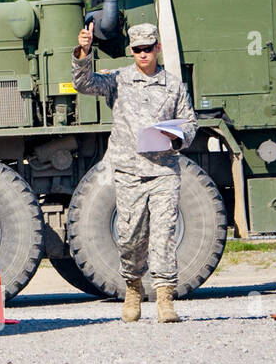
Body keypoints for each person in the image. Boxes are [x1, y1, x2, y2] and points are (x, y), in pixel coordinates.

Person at [72, 21, 197, 322]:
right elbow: (84, 84)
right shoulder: (119, 80)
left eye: (148, 48)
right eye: (137, 49)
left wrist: (175, 137)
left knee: (164, 235)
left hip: (164, 170)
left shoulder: (173, 85)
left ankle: (165, 298)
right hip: (128, 171)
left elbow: (190, 124)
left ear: (157, 48)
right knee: (130, 238)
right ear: (131, 51)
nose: (143, 54)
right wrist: (83, 53)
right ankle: (132, 286)